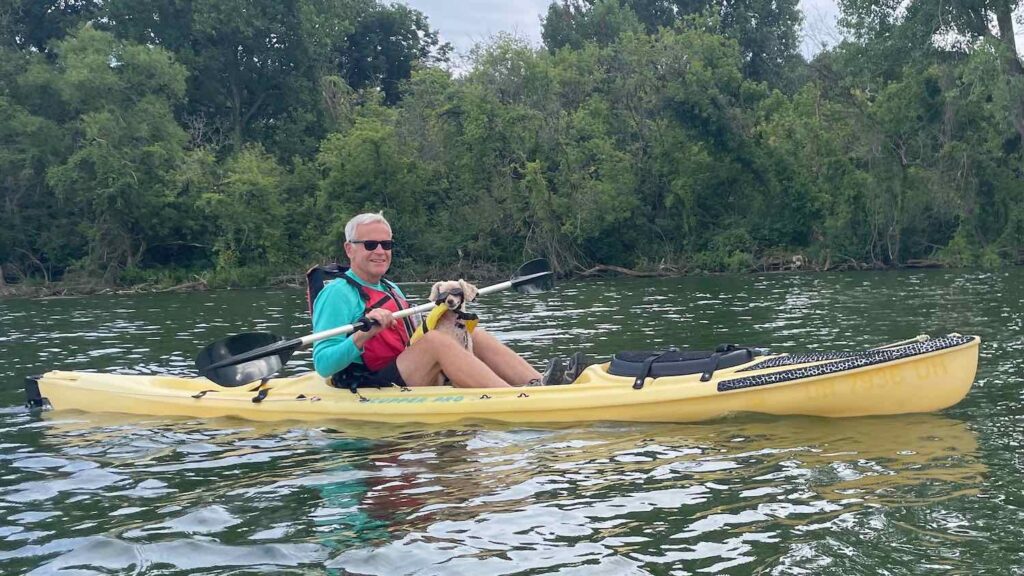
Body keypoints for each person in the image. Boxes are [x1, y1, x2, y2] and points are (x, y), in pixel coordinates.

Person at [312, 212, 551, 389]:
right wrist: (364, 333)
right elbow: (323, 364)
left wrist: (447, 311)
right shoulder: (337, 294)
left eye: (386, 244)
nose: (380, 251)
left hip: (401, 369)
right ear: (349, 249)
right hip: (367, 381)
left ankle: (539, 383)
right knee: (435, 342)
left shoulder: (390, 287)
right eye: (370, 244)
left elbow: (414, 337)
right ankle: (512, 398)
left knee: (468, 331)